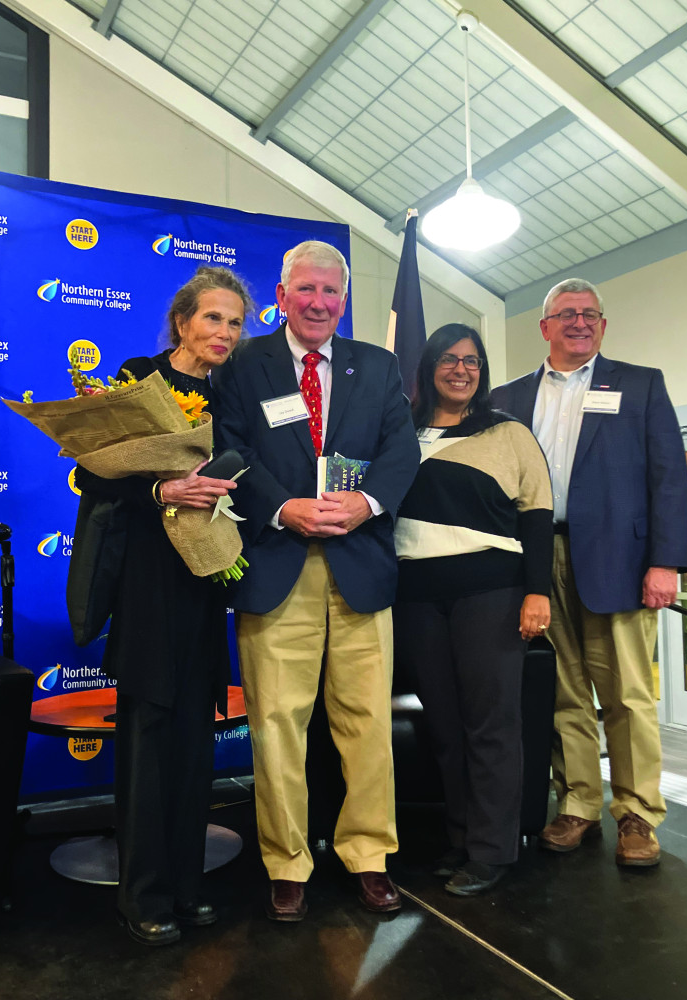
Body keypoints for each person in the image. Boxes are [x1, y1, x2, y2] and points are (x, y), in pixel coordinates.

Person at [218, 240, 420, 921]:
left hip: (359, 562)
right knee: (277, 724)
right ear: (281, 295)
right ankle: (287, 863)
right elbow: (231, 448)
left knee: (367, 724)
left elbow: (401, 449)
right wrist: (282, 506)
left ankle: (368, 855)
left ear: (343, 299)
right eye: (306, 289)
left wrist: (364, 504)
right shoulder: (246, 363)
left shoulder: (379, 366)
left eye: (331, 291)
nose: (319, 302)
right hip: (276, 565)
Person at [75, 266, 252, 945]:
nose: (225, 333)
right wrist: (160, 494)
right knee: (148, 746)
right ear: (183, 323)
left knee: (192, 748)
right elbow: (94, 474)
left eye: (235, 322)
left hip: (206, 584)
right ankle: (140, 896)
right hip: (148, 582)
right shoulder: (136, 377)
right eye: (214, 318)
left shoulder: (231, 395)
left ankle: (186, 886)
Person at [491, 278, 687, 866]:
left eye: (590, 314)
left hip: (622, 563)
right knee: (562, 690)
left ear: (602, 326)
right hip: (535, 558)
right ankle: (576, 801)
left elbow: (669, 478)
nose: (579, 322)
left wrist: (665, 561)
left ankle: (636, 812)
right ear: (544, 326)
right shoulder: (506, 398)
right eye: (566, 313)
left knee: (627, 693)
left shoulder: (641, 384)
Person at [392, 323, 553, 895]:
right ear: (429, 365)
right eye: (450, 359)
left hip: (492, 592)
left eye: (473, 361)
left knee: (491, 725)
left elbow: (537, 515)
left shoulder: (508, 433)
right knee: (445, 727)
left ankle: (492, 850)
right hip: (415, 598)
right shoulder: (399, 433)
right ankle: (460, 839)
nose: (462, 370)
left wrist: (539, 592)